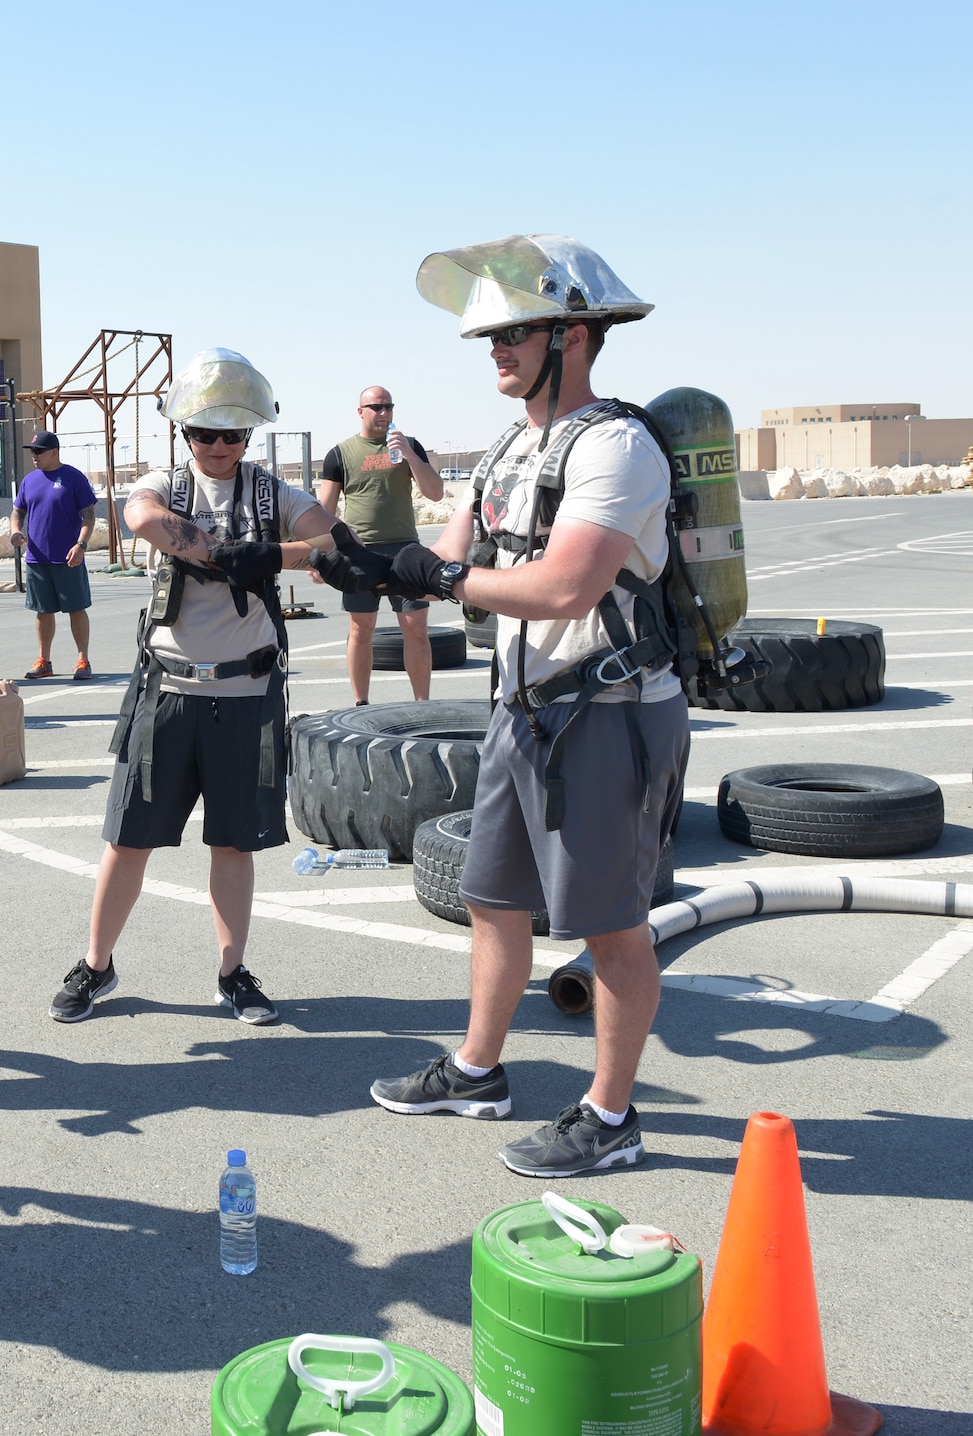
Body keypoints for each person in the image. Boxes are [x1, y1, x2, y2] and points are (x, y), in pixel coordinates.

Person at [321, 235, 688, 1178]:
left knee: (610, 925)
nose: (494, 349)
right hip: (521, 711)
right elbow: (447, 553)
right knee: (492, 900)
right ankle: (478, 1071)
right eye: (489, 334)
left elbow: (566, 587)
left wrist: (446, 575)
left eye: (514, 332)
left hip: (606, 713)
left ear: (574, 333)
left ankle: (611, 1117)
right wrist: (352, 560)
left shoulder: (618, 444)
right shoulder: (508, 449)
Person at [51, 350, 334, 1027]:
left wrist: (271, 554)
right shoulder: (166, 485)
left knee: (234, 843)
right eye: (204, 432)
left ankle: (233, 974)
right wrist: (223, 554)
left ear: (250, 435)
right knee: (128, 839)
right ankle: (96, 965)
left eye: (231, 434)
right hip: (169, 690)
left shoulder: (270, 494)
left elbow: (330, 543)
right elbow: (141, 516)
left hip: (246, 693)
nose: (217, 445)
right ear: (184, 433)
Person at [316, 386, 445, 702]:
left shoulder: (409, 447)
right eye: (377, 407)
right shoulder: (340, 454)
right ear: (360, 411)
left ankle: (422, 705)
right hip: (361, 552)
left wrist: (411, 455)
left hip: (405, 549)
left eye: (389, 407)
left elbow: (436, 492)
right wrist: (317, 555)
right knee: (362, 629)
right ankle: (361, 702)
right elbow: (323, 510)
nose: (384, 413)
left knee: (416, 627)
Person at [11, 431, 97, 680]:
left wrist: (81, 545)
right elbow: (18, 511)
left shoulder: (74, 478)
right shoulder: (29, 480)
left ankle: (83, 660)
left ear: (54, 452)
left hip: (69, 558)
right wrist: (15, 531)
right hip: (37, 558)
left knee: (76, 609)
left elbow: (88, 516)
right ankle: (44, 661)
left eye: (39, 451)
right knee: (43, 611)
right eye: (32, 451)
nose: (34, 455)